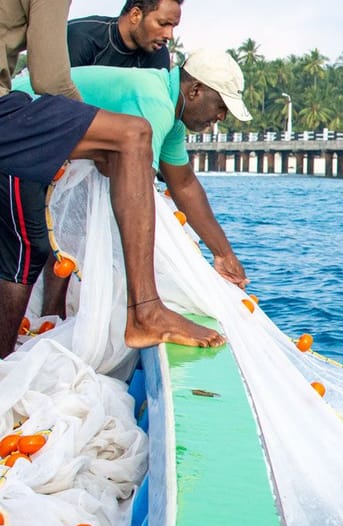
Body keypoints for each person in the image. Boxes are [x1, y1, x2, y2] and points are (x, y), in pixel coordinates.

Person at [0, 0, 222, 355]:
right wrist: (99, 136)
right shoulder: (86, 36)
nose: (168, 35)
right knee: (133, 136)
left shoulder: (156, 66)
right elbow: (49, 79)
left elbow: (182, 181)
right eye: (163, 24)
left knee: (25, 248)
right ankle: (145, 311)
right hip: (15, 106)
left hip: (15, 109)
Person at [10, 48, 251, 329]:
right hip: (17, 124)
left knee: (59, 236)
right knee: (26, 251)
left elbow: (184, 184)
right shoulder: (154, 102)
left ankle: (50, 318)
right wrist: (146, 302)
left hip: (41, 149)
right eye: (221, 106)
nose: (222, 116)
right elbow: (135, 192)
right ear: (195, 90)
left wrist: (223, 254)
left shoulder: (171, 115)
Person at [67, 0, 181, 71]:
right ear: (135, 15)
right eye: (162, 24)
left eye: (173, 26)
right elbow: (58, 99)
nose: (169, 35)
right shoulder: (81, 36)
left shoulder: (158, 55)